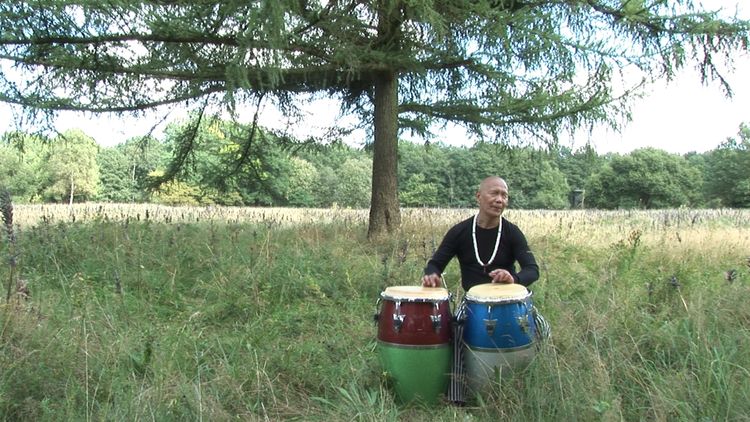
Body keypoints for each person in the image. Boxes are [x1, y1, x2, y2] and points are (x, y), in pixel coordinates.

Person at [421, 176, 547, 405]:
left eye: (504, 195)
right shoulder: (459, 232)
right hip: (472, 306)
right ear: (479, 196)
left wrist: (514, 278)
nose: (500, 200)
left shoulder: (512, 232)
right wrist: (431, 275)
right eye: (494, 193)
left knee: (542, 327)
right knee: (456, 330)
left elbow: (533, 270)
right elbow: (435, 263)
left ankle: (528, 386)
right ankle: (458, 395)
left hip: (511, 304)